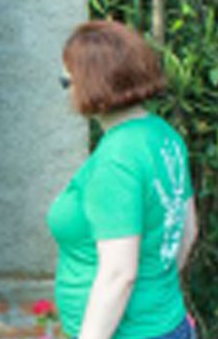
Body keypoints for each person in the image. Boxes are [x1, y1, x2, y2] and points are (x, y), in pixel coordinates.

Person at [48, 20, 199, 339]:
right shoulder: (164, 136)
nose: (67, 91)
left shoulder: (117, 159)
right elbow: (187, 232)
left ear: (92, 84)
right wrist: (156, 300)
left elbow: (119, 274)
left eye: (67, 81)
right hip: (167, 322)